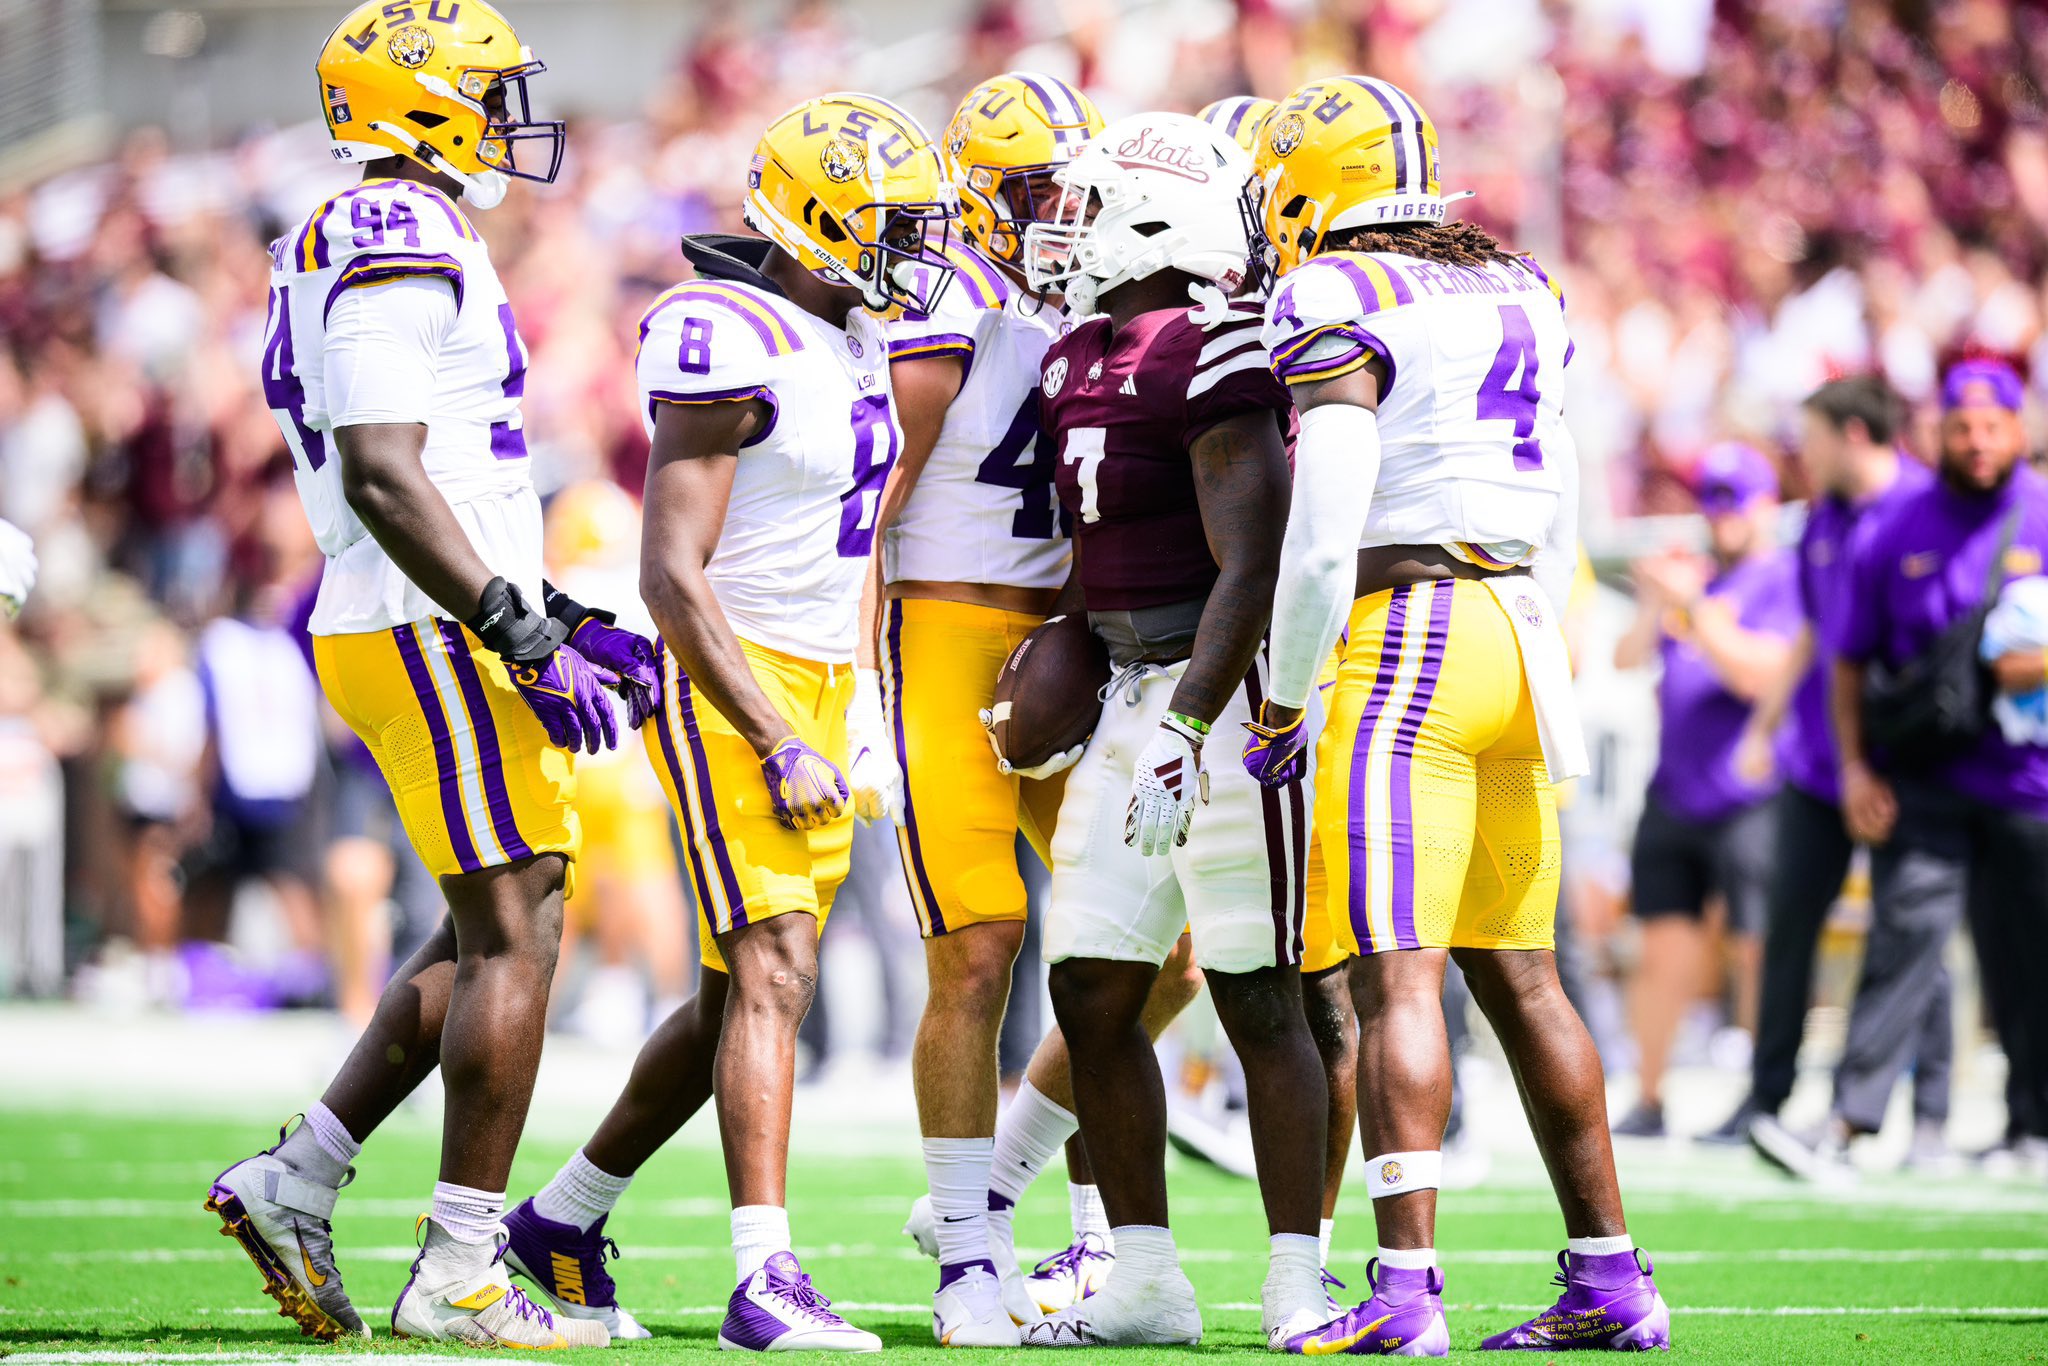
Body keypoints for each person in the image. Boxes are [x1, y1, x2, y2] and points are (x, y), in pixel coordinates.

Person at [205, 1, 657, 1349]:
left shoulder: (383, 230)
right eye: (486, 91)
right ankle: (460, 1264)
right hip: (422, 611)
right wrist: (509, 621)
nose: (512, 115)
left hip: (424, 603)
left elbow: (433, 466)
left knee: (490, 922)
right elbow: (385, 465)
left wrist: (545, 604)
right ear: (420, 105)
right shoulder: (397, 234)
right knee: (522, 924)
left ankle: (304, 1172)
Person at [499, 94, 958, 1353]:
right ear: (814, 220)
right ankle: (764, 1276)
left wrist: (854, 708)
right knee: (774, 970)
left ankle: (562, 1217)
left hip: (811, 675)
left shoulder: (847, 337)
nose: (912, 245)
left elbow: (851, 552)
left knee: (729, 993)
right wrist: (773, 732)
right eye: (891, 222)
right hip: (728, 677)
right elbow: (668, 572)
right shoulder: (720, 331)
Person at [1245, 75, 1668, 1354]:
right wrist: (1554, 650)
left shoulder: (1332, 293)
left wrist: (1278, 690)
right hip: (1517, 625)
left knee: (1397, 983)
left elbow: (1324, 530)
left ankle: (1402, 1293)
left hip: (1405, 632)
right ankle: (1610, 1278)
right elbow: (1570, 488)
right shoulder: (1520, 284)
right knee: (1526, 980)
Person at [1016, 110, 1329, 1350]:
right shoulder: (1070, 351)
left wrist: (1188, 721)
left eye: (1085, 203)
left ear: (1152, 217)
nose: (1060, 227)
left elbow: (1250, 560)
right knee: (1091, 987)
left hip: (1223, 694)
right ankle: (1144, 1277)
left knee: (1259, 997)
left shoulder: (1214, 347)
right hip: (1129, 690)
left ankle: (1295, 1278)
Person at [1755, 357, 2048, 1181]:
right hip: (1926, 777)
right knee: (1903, 940)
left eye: (1994, 427)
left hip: (2031, 780)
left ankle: (2033, 1125)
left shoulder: (2042, 514)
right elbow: (1845, 663)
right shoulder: (1896, 524)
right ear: (1938, 431)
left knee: (2024, 954)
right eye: (1962, 427)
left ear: (2020, 430)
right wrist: (1854, 770)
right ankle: (1848, 1123)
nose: (1978, 442)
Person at [1702, 378, 1936, 1149]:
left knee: (1912, 927)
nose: (1804, 452)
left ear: (1854, 434)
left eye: (1813, 436)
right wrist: (1765, 725)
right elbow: (1812, 628)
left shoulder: (1926, 508)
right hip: (1816, 760)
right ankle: (1766, 1102)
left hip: (1905, 759)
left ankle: (1923, 1110)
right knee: (1790, 928)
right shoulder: (1826, 517)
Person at [1611, 442, 1799, 1138]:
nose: (1719, 516)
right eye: (1712, 501)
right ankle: (1650, 1096)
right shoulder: (1702, 586)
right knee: (1661, 949)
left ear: (1765, 507)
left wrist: (1695, 608)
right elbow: (1627, 658)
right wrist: (1657, 604)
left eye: (1733, 501)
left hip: (1750, 792)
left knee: (1754, 947)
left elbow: (1758, 675)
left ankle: (1760, 1096)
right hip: (1675, 791)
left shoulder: (1780, 578)